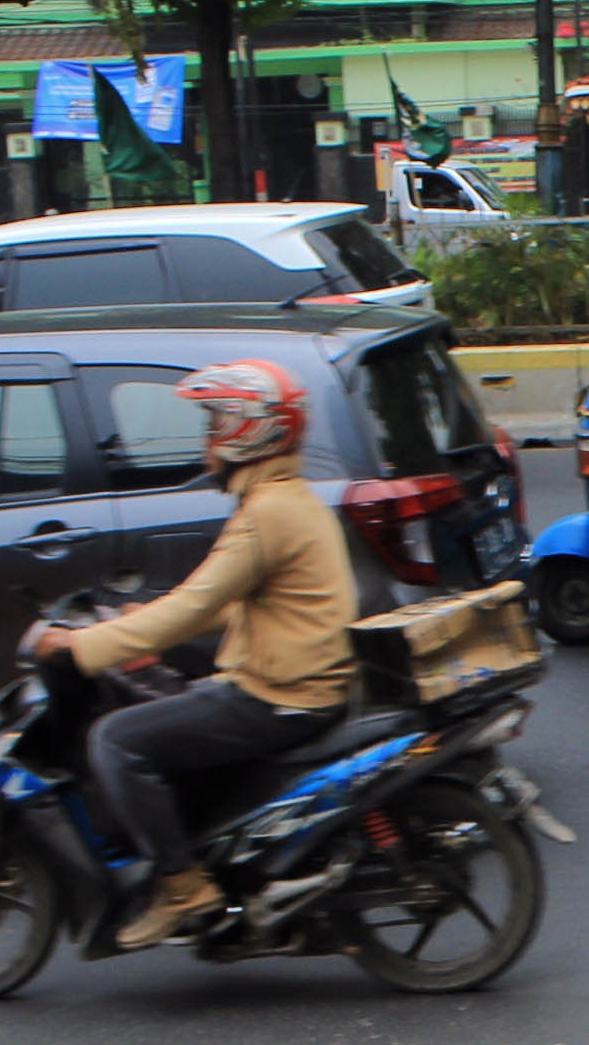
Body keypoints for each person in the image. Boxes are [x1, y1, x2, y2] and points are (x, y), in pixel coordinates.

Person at [26, 360, 358, 949]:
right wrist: (140, 619)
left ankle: (183, 886)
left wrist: (84, 647)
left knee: (117, 739)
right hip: (294, 680)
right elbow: (224, 602)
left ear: (249, 429)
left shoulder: (266, 513)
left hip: (282, 694)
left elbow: (193, 605)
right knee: (178, 695)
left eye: (214, 422)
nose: (206, 438)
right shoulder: (286, 499)